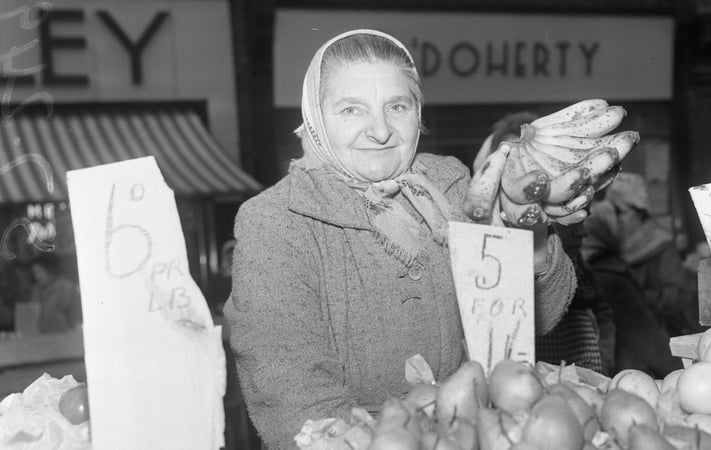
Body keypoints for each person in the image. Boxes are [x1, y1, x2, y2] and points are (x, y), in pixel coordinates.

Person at [224, 29, 592, 449]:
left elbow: (529, 322)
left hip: (473, 430)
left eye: (397, 106)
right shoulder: (276, 220)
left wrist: (533, 237)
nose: (380, 131)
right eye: (351, 110)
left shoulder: (451, 185)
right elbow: (287, 384)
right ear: (315, 118)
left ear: (417, 111)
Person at [475, 111, 616, 375]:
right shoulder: (488, 246)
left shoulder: (564, 215)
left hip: (582, 371)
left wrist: (606, 356)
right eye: (509, 156)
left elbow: (602, 310)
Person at [581, 173, 685, 377]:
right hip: (630, 360)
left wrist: (639, 300)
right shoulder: (609, 251)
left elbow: (678, 298)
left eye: (619, 211)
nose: (614, 217)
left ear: (637, 213)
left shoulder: (660, 247)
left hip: (661, 347)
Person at [26, 253, 82, 334]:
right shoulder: (36, 291)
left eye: (40, 272)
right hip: (39, 340)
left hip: (63, 340)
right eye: (35, 273)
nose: (37, 277)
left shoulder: (68, 290)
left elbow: (77, 323)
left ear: (52, 270)